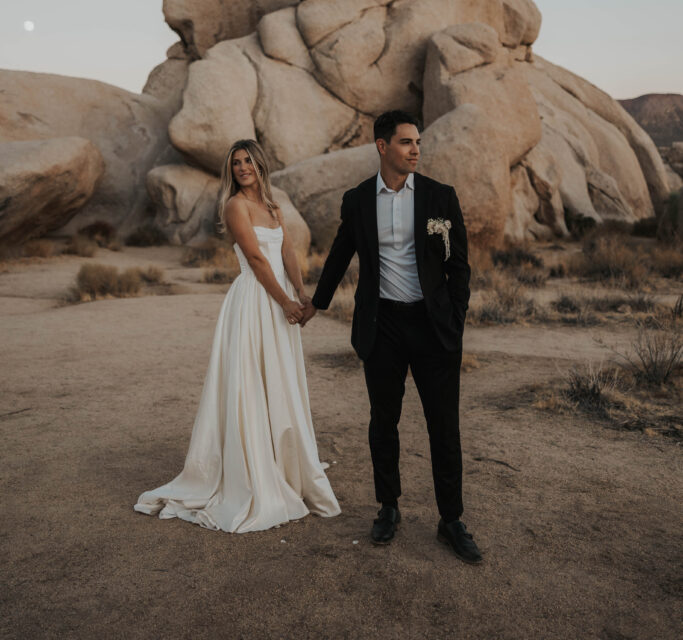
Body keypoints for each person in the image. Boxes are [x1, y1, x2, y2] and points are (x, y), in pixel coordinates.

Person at [300, 110, 482, 563]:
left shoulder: (441, 197)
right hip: (382, 328)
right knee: (384, 423)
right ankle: (388, 507)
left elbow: (459, 266)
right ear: (383, 147)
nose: (416, 149)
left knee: (445, 427)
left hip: (433, 328)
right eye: (405, 142)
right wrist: (315, 304)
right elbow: (341, 253)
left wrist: (454, 321)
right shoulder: (359, 199)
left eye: (417, 141)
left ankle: (451, 520)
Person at [134, 139, 340, 533]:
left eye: (248, 160)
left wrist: (301, 293)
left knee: (279, 380)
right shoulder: (235, 206)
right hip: (254, 302)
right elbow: (259, 259)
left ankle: (281, 460)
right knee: (249, 381)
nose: (243, 167)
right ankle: (252, 466)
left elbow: (287, 254)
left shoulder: (273, 205)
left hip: (280, 300)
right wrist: (283, 301)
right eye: (236, 162)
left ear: (260, 164)